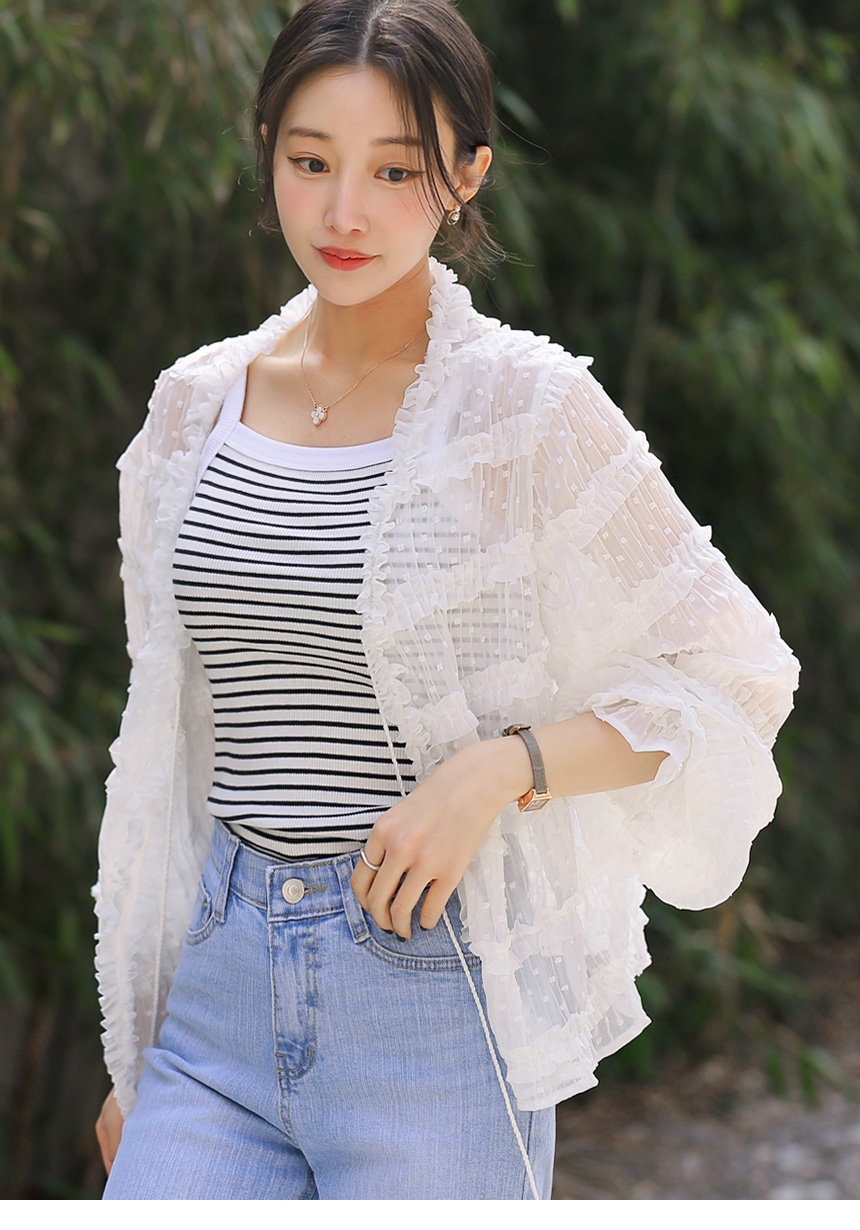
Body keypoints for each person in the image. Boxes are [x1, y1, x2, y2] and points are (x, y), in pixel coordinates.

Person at [93, 0, 799, 1201]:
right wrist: (138, 1047)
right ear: (265, 150)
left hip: (431, 1005)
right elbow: (171, 756)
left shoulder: (524, 410)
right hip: (214, 1009)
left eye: (394, 170)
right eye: (310, 162)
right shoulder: (190, 410)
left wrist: (498, 770)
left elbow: (733, 676)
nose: (344, 212)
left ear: (466, 174)